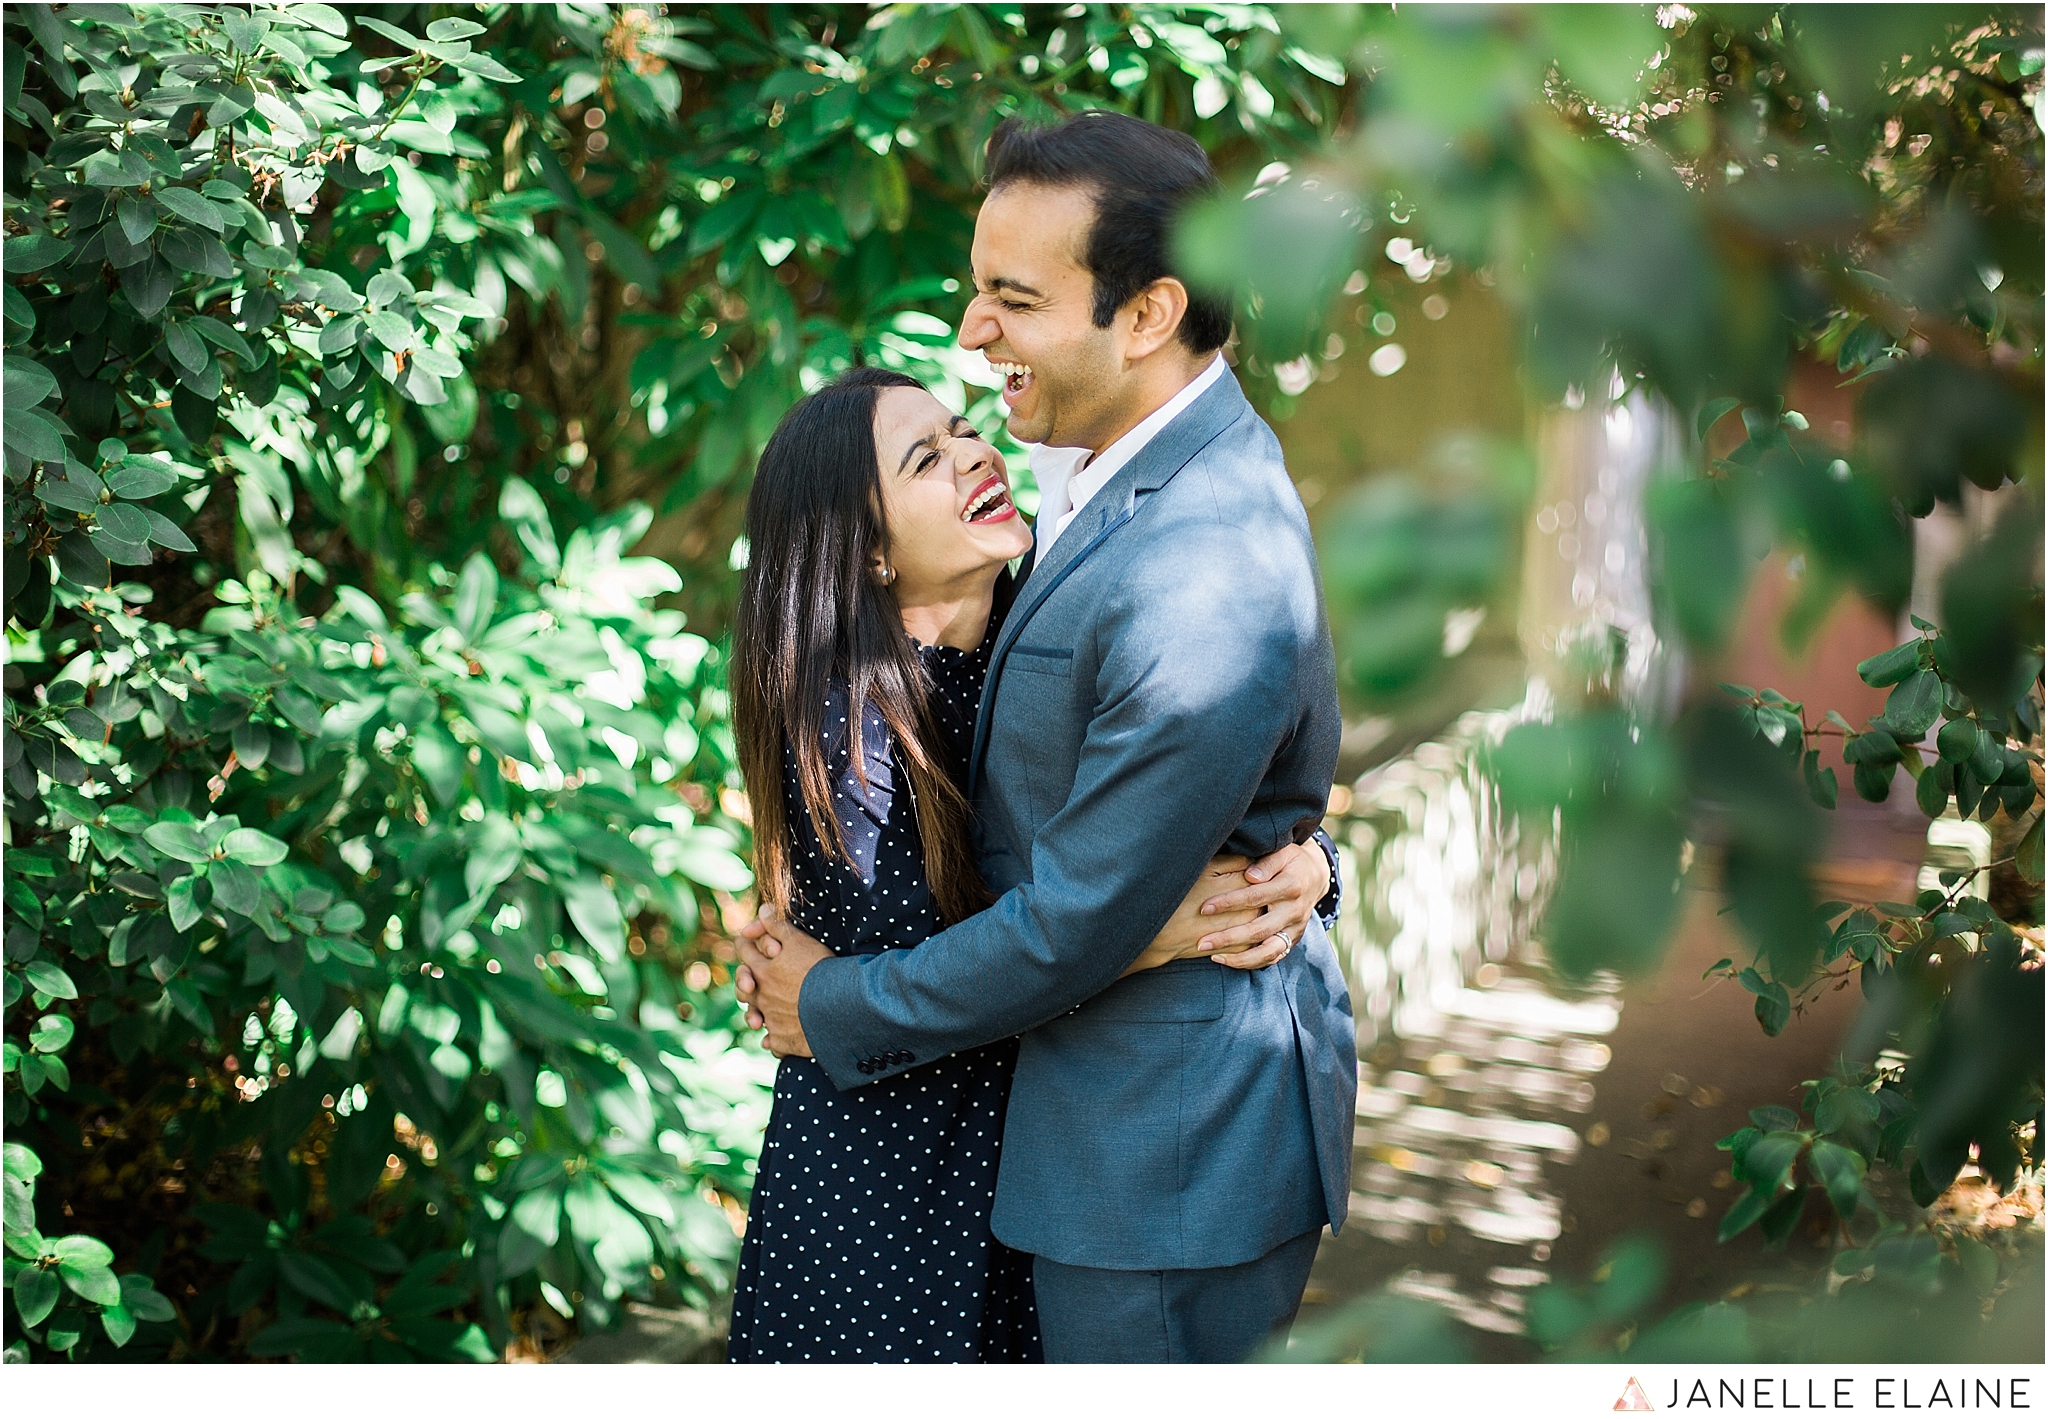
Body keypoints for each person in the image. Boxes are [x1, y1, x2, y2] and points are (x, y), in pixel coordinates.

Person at [736, 111, 1358, 1365]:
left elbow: (1087, 901)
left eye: (1010, 300)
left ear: (1143, 315)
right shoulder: (1080, 511)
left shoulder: (1194, 556)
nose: (973, 339)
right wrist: (1276, 867)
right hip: (944, 1169)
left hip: (1148, 1164)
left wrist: (1297, 869)